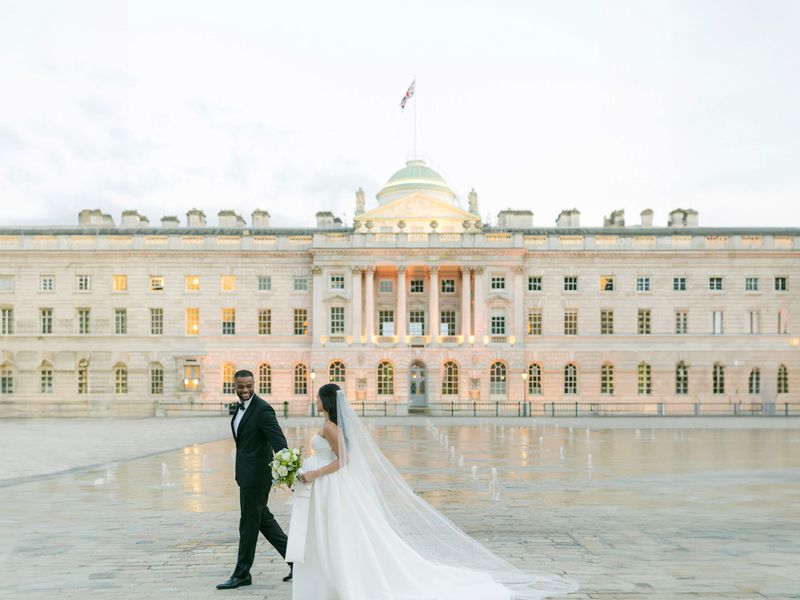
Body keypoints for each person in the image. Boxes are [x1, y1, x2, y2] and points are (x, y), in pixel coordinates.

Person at [286, 383, 578, 600]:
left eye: (318, 396)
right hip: (331, 488)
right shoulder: (328, 424)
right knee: (338, 533)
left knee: (338, 533)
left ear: (326, 401)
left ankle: (341, 579)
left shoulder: (330, 427)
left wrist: (313, 472)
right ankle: (334, 578)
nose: (315, 399)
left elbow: (344, 459)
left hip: (330, 485)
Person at [217, 369, 293, 589]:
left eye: (249, 385)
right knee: (263, 521)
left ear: (254, 384)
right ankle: (297, 561)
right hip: (246, 474)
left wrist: (289, 473)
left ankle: (242, 574)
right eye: (241, 386)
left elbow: (279, 442)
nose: (245, 390)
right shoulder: (239, 408)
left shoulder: (262, 409)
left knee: (248, 524)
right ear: (234, 386)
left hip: (257, 477)